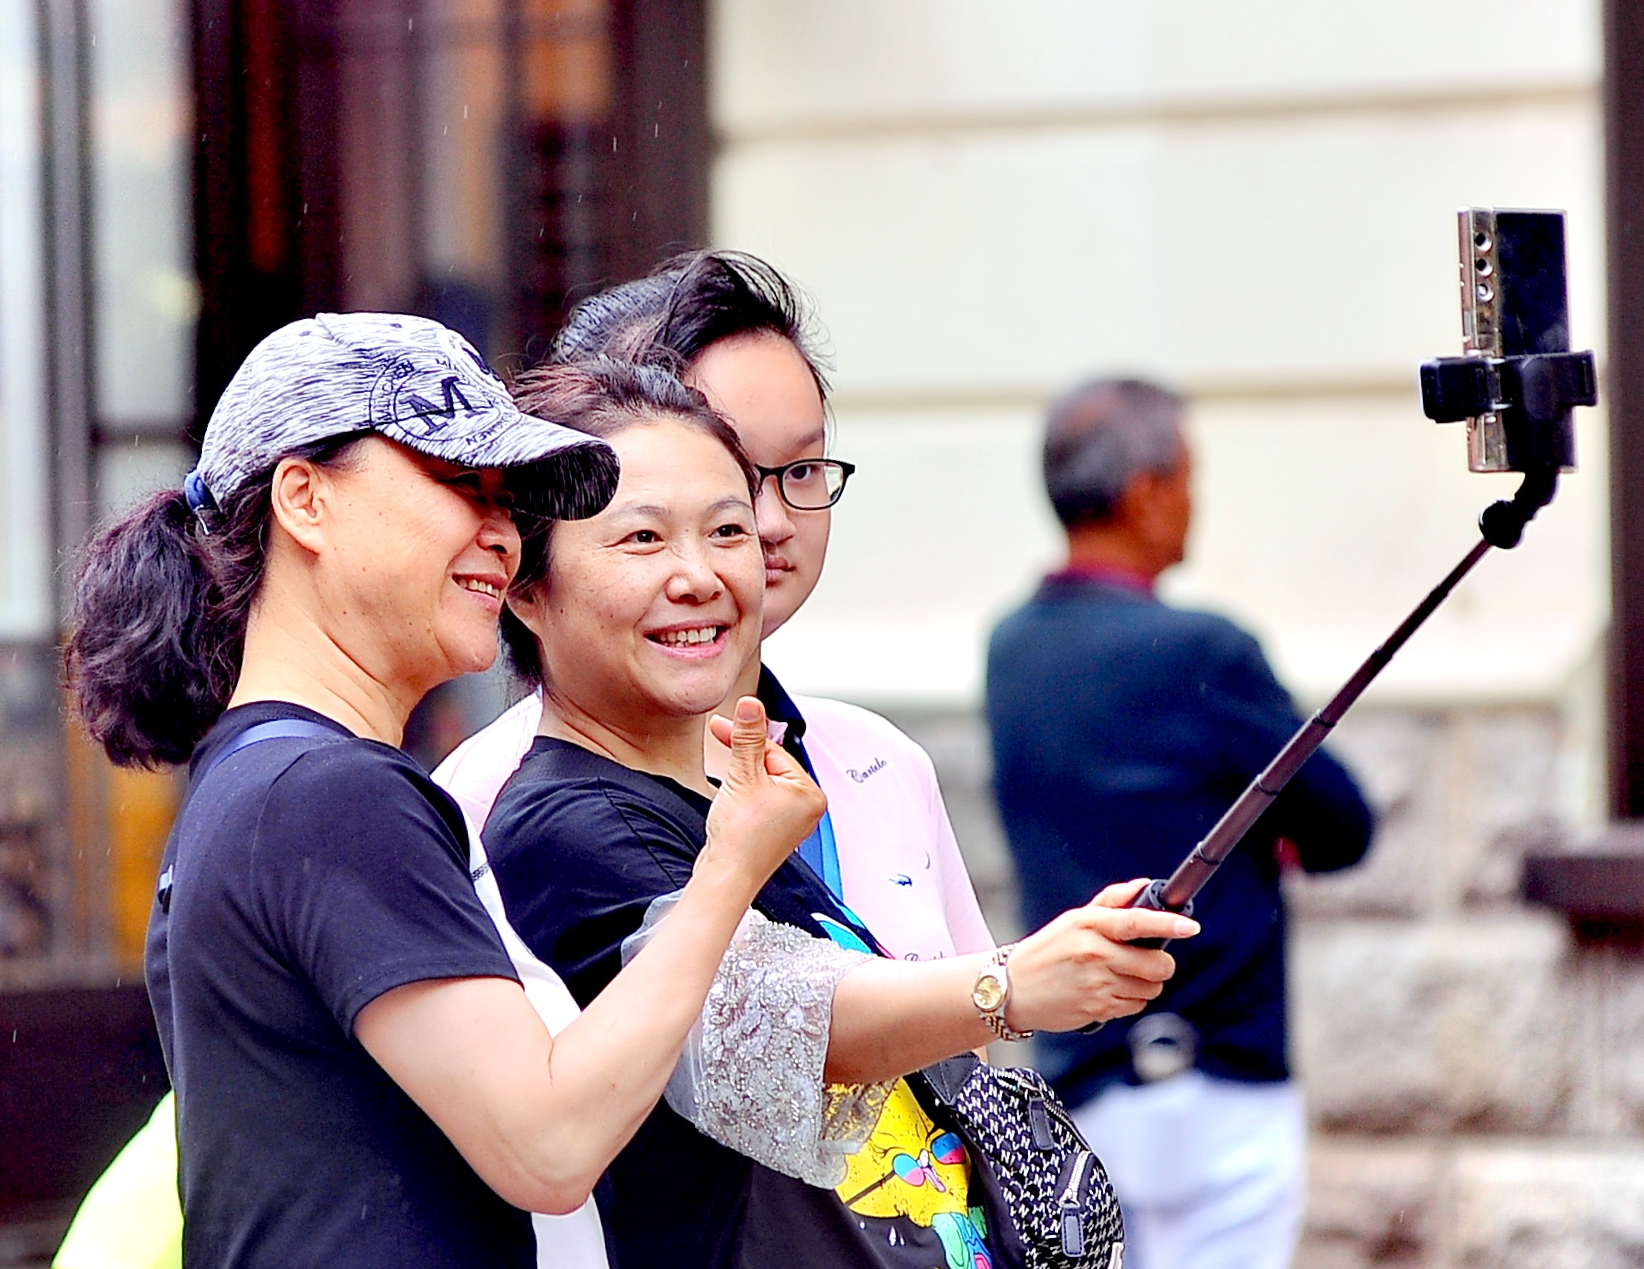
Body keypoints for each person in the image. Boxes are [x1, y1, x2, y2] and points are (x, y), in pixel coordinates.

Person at [61, 313, 825, 1269]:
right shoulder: (327, 794)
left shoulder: (272, 777)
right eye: (462, 482)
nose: (501, 532)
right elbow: (548, 1143)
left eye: (510, 499)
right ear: (305, 498)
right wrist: (731, 864)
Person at [480, 358, 1197, 1269]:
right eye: (643, 539)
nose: (698, 575)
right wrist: (1010, 985)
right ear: (526, 586)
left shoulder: (733, 797)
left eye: (727, 530)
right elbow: (762, 1023)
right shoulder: (561, 824)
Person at [437, 249, 991, 967]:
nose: (770, 522)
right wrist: (1010, 986)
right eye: (651, 527)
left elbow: (963, 1063)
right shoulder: (489, 798)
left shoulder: (878, 760)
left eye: (799, 470)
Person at [985, 378, 1375, 1269]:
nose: (1196, 503)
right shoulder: (1202, 649)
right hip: (1219, 1086)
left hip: (1080, 1087)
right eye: (1189, 477)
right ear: (1146, 491)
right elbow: (1343, 825)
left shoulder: (1012, 650)